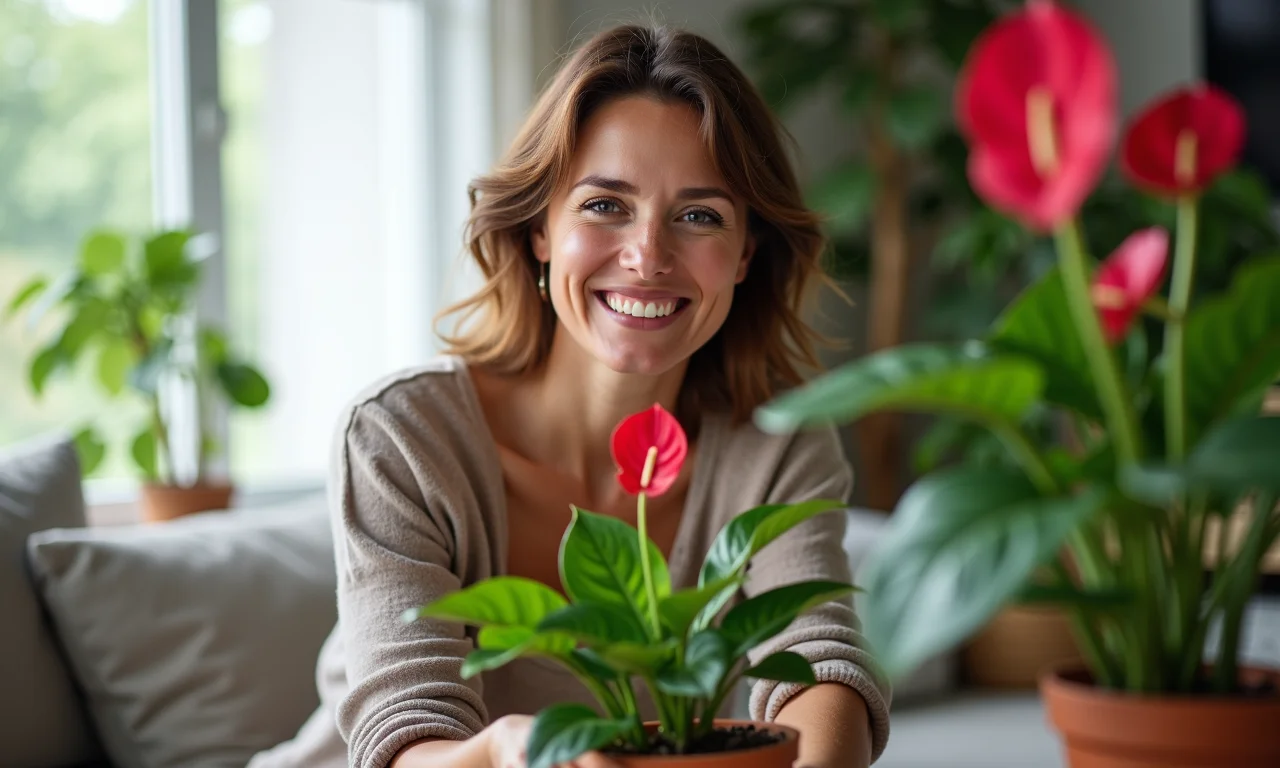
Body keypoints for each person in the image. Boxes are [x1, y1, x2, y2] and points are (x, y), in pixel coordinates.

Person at [248, 23, 890, 768]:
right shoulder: (402, 437)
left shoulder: (777, 443)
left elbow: (818, 659)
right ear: (539, 232)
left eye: (698, 216)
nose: (648, 254)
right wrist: (510, 752)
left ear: (746, 253)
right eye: (604, 206)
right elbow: (405, 730)